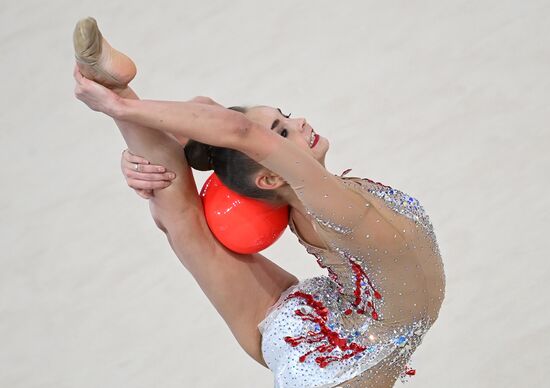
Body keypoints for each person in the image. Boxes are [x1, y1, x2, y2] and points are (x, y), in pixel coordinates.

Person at [73, 17, 445, 388]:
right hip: (340, 371)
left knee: (182, 221)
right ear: (270, 177)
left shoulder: (307, 193)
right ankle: (116, 95)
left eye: (284, 116)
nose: (299, 121)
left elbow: (217, 120)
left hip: (321, 320)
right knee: (182, 220)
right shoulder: (333, 206)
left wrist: (149, 134)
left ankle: (114, 83)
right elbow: (240, 132)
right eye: (283, 132)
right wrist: (122, 111)